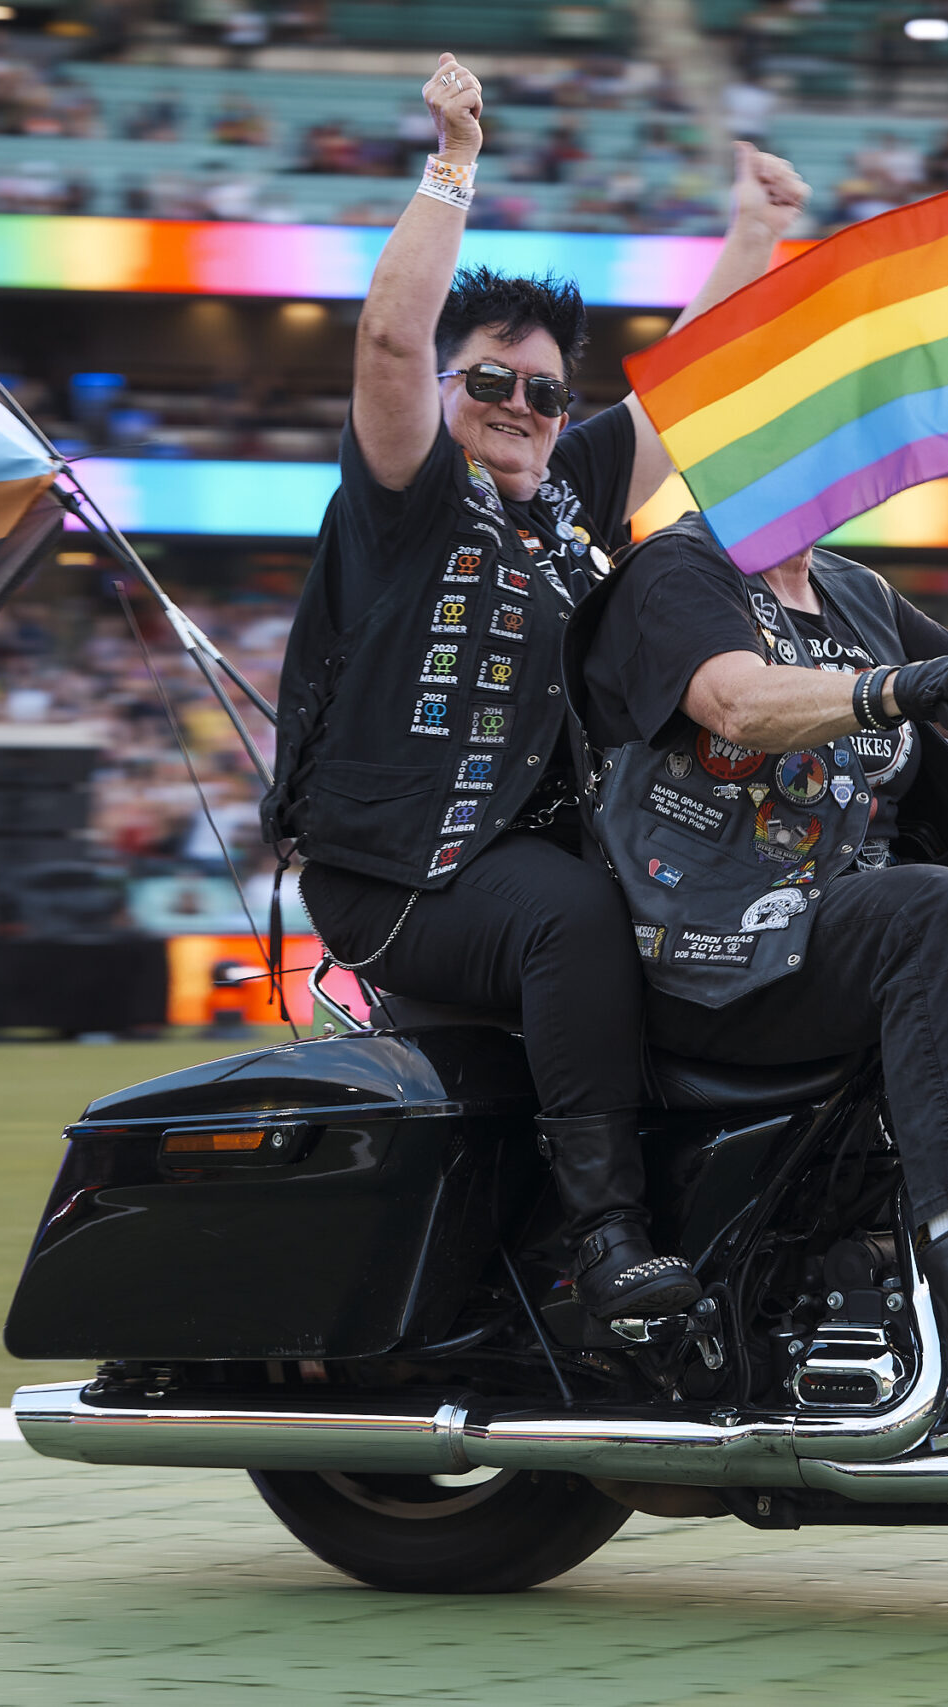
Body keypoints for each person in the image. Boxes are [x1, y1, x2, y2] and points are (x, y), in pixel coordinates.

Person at [261, 53, 810, 1323]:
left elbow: (688, 383)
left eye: (547, 393)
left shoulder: (565, 491)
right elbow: (392, 333)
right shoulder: (413, 495)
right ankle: (604, 1234)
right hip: (404, 871)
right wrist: (453, 162)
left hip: (533, 850)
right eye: (492, 383)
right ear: (446, 393)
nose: (520, 408)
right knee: (572, 916)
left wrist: (753, 235)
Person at [575, 517, 948, 1418]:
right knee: (934, 905)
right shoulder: (678, 569)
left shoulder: (854, 592)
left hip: (837, 921)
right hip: (714, 933)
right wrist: (905, 685)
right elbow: (739, 703)